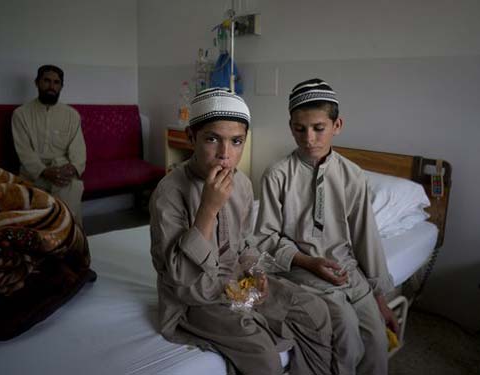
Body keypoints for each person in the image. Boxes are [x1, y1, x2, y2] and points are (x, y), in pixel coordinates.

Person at [149, 88, 333, 375]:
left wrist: (254, 272)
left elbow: (244, 245)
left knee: (315, 311)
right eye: (212, 139)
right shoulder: (169, 192)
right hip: (194, 298)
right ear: (190, 138)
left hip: (235, 284)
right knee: (262, 353)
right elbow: (181, 278)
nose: (225, 154)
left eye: (236, 142)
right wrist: (208, 209)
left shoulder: (243, 185)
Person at [255, 78, 399, 375]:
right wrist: (308, 261)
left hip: (347, 269)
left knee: (375, 337)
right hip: (302, 269)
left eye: (318, 128)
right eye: (299, 128)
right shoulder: (277, 175)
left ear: (337, 125)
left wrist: (379, 298)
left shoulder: (353, 175)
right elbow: (266, 237)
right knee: (346, 331)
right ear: (290, 126)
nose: (309, 138)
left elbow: (365, 238)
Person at [12, 64, 86, 223]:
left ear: (61, 86)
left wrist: (72, 168)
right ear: (37, 83)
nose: (51, 86)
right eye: (46, 81)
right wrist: (44, 171)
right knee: (36, 220)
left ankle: (71, 243)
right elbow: (24, 151)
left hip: (63, 173)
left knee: (68, 215)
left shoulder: (72, 115)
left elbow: (78, 149)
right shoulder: (20, 114)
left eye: (56, 82)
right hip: (33, 173)